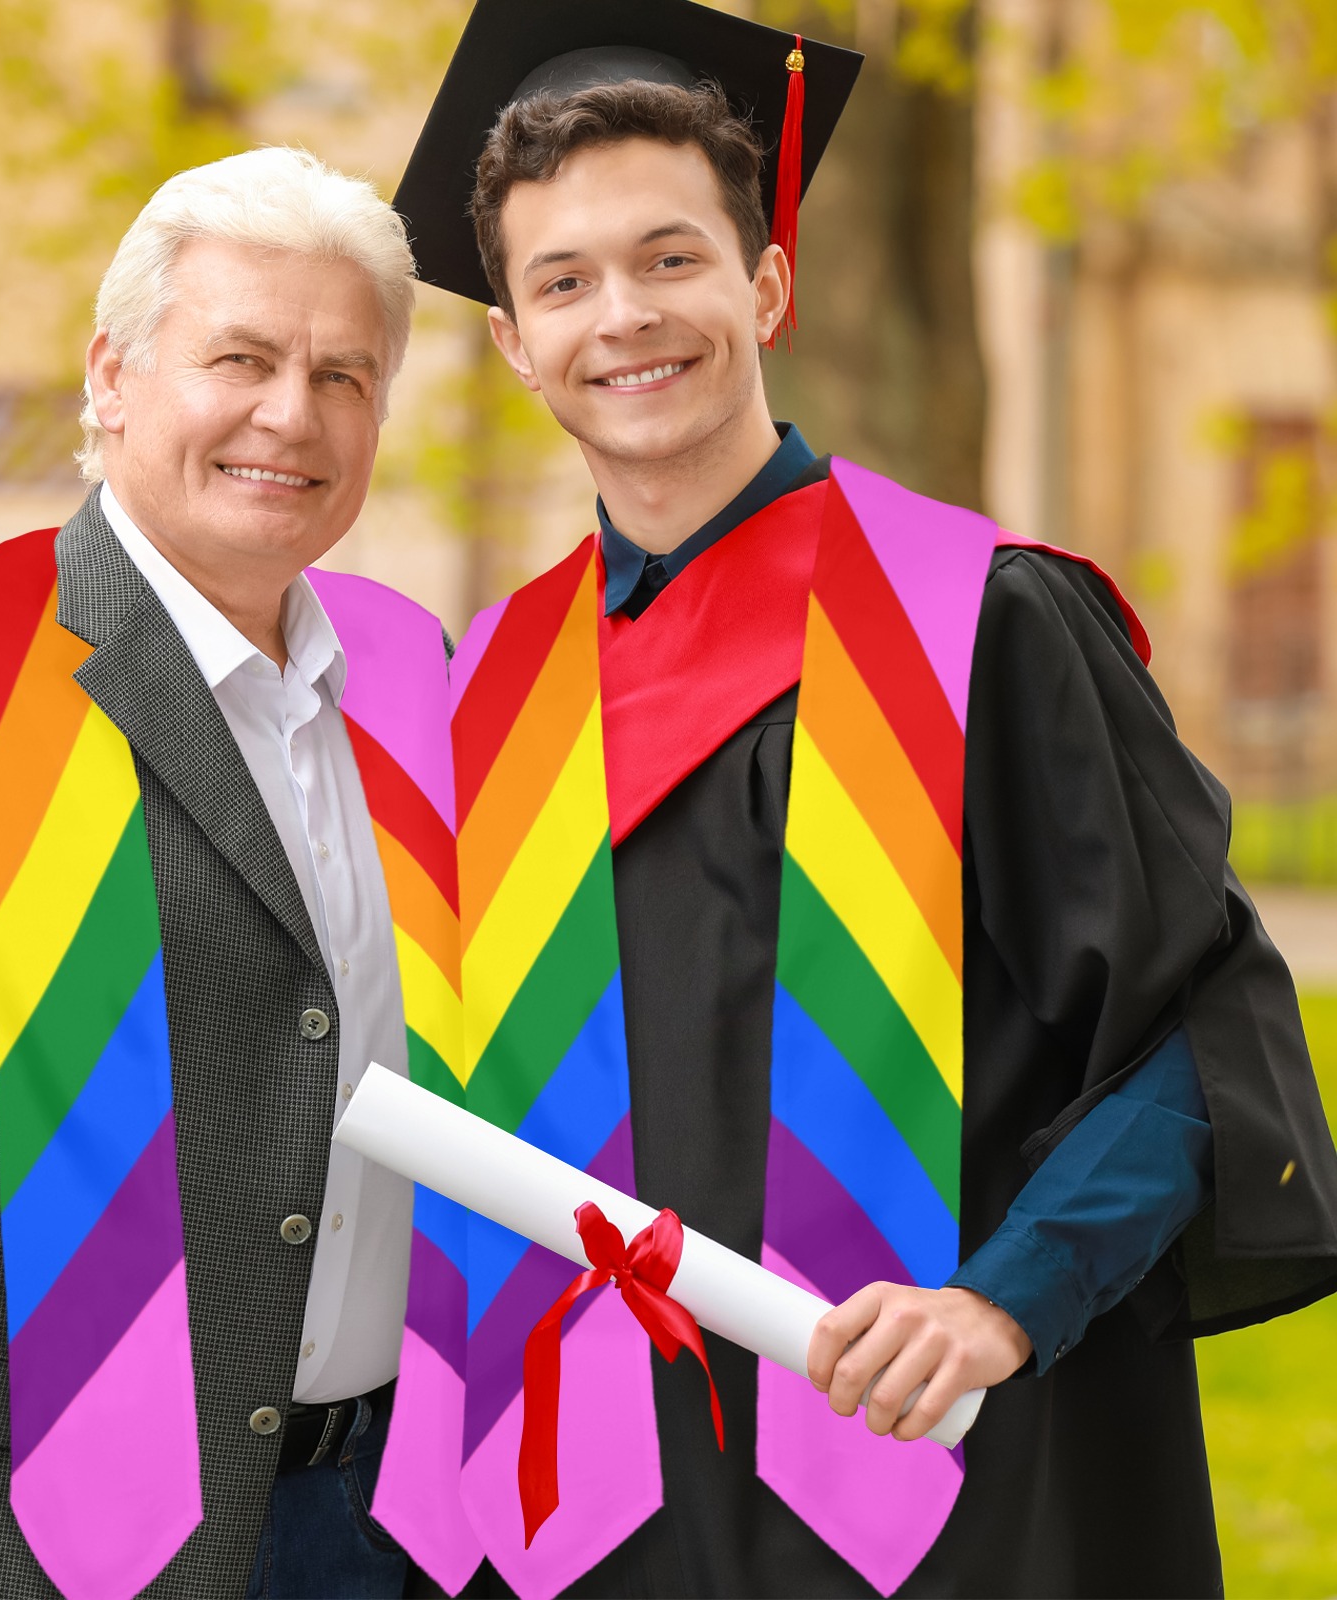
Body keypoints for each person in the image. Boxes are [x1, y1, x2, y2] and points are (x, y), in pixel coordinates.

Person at [369, 2, 1337, 1596]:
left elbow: (1199, 1035)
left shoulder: (980, 623)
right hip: (599, 1517)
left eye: (672, 259)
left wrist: (1008, 1298)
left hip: (950, 1482)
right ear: (514, 342)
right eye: (564, 281)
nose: (625, 316)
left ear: (766, 282)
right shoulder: (493, 692)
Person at [0, 146, 450, 1600]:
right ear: (112, 377)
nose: (289, 415)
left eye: (342, 376)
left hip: (386, 1529)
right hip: (24, 1546)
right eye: (239, 357)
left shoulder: (411, 680)